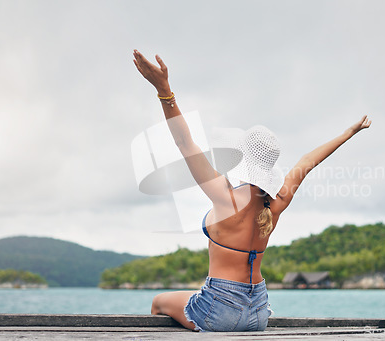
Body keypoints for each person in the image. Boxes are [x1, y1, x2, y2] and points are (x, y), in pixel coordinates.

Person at [133, 50, 371, 332]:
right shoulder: (276, 202)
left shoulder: (225, 196)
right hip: (258, 312)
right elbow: (308, 161)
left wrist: (164, 91)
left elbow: (185, 143)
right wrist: (349, 132)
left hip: (220, 310)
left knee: (159, 302)